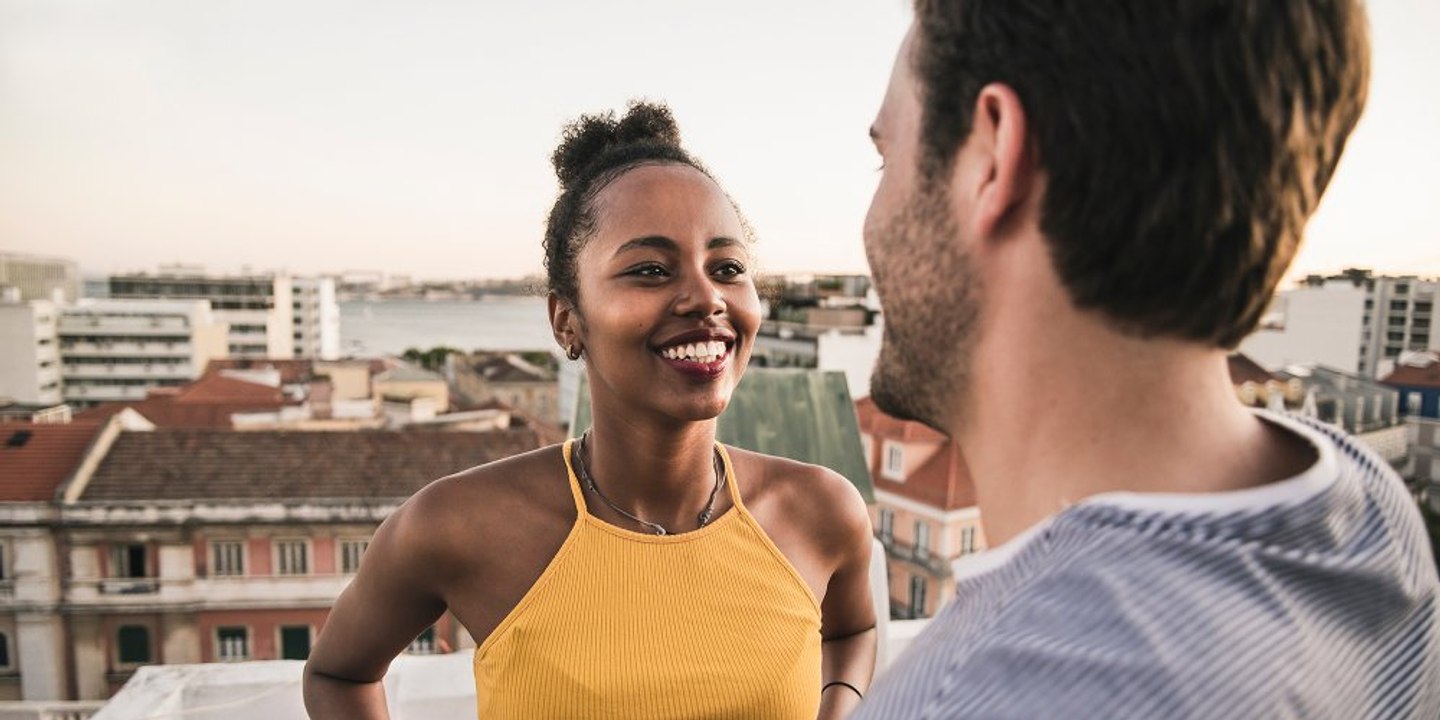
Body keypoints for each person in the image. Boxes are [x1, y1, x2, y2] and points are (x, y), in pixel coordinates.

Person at [852, 1, 1440, 718]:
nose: (872, 216)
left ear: (993, 157)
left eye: (886, 157)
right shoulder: (1362, 504)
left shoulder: (973, 697)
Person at [303, 101, 877, 719]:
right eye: (651, 270)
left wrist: (837, 709)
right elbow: (339, 674)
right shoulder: (458, 525)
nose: (706, 297)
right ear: (567, 321)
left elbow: (852, 633)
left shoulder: (821, 510)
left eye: (728, 267)